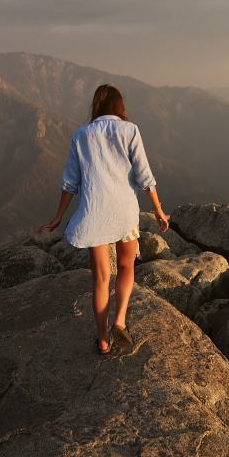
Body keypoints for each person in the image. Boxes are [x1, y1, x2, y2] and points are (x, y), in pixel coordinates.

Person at [36, 84, 170, 355]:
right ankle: (120, 320)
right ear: (120, 106)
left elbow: (70, 183)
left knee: (100, 279)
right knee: (126, 267)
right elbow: (145, 175)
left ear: (95, 107)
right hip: (125, 213)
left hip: (94, 212)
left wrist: (58, 216)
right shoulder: (130, 130)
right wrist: (157, 209)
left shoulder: (80, 135)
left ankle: (103, 340)